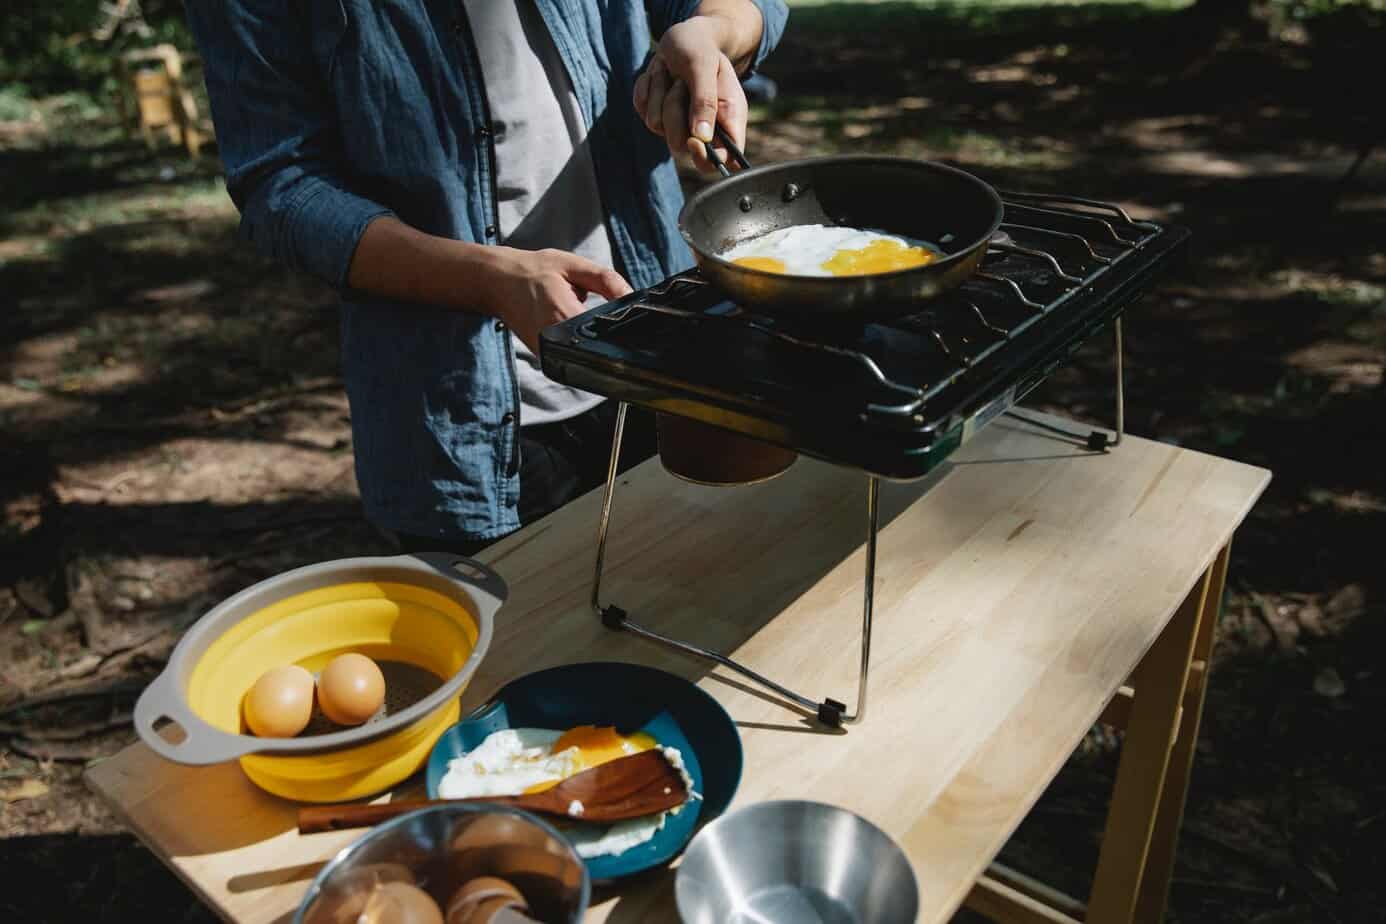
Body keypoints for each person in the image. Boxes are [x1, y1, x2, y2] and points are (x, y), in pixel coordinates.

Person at [184, 0, 788, 556]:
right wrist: (487, 279)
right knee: (524, 637)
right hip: (460, 423)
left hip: (663, 364)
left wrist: (711, 34)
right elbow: (282, 189)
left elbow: (750, 8)